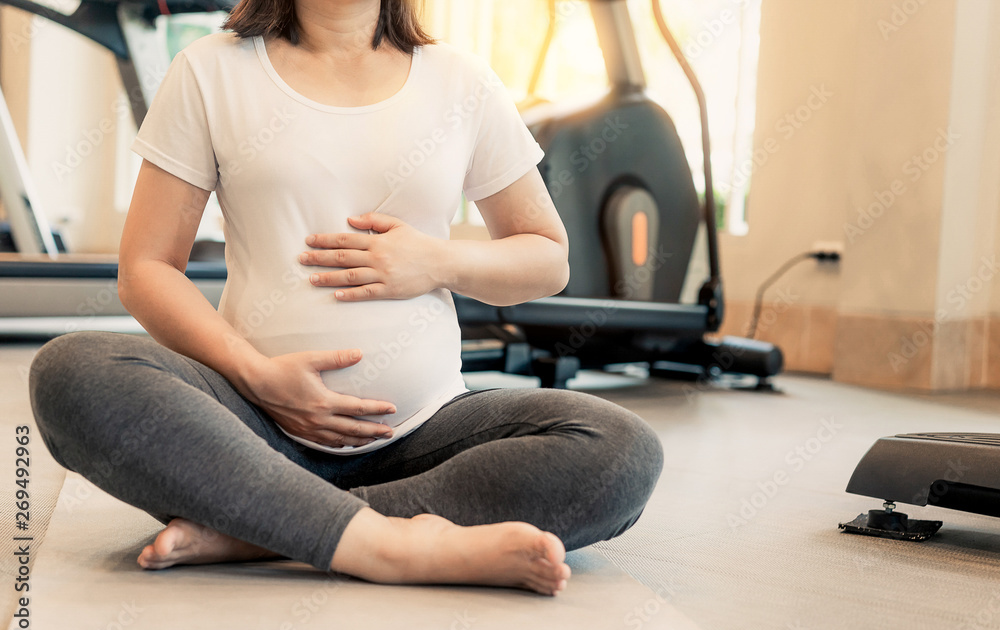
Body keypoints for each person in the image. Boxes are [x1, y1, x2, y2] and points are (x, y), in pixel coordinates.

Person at [29, 0, 663, 596]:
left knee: (621, 450)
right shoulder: (209, 69)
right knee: (72, 372)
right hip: (251, 429)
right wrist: (259, 376)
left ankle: (266, 531)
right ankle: (389, 547)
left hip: (425, 433)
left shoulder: (460, 81)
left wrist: (435, 261)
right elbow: (145, 268)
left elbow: (546, 259)